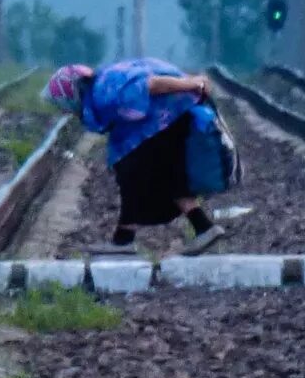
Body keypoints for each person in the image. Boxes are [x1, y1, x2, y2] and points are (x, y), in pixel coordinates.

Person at [45, 58, 246, 248]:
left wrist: (191, 84)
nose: (68, 111)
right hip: (168, 118)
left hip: (170, 116)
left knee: (133, 172)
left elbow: (151, 84)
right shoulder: (104, 82)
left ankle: (124, 240)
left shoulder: (104, 92)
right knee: (160, 175)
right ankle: (203, 227)